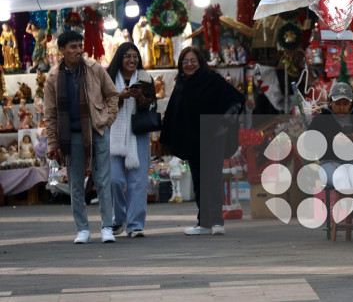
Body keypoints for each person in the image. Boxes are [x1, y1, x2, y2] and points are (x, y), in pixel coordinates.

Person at [159, 46, 244, 236]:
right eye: (185, 62)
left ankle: (216, 221)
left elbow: (236, 99)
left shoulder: (212, 79)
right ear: (181, 65)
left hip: (214, 137)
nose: (189, 65)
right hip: (193, 139)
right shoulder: (181, 84)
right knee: (198, 179)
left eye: (193, 61)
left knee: (212, 177)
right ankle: (204, 222)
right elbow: (174, 112)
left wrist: (224, 121)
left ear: (200, 62)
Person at [44, 30, 119, 244]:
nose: (78, 50)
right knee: (76, 183)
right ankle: (82, 229)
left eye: (80, 46)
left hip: (98, 130)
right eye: (73, 47)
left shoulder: (95, 69)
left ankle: (107, 227)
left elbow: (112, 94)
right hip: (72, 135)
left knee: (104, 180)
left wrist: (107, 119)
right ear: (62, 50)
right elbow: (50, 114)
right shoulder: (52, 77)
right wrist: (53, 142)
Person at [107, 42, 156, 238]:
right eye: (127, 56)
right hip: (113, 135)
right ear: (120, 57)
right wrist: (119, 97)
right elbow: (101, 105)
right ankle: (118, 220)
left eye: (135, 56)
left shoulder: (145, 78)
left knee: (138, 182)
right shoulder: (109, 78)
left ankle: (135, 225)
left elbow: (153, 105)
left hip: (139, 134)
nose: (132, 59)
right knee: (115, 180)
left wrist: (140, 98)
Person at [307, 82, 353, 193]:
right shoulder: (320, 119)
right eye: (337, 103)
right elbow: (309, 143)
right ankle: (343, 209)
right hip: (329, 162)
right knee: (341, 180)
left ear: (351, 102)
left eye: (345, 103)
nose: (341, 107)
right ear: (330, 101)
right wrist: (331, 140)